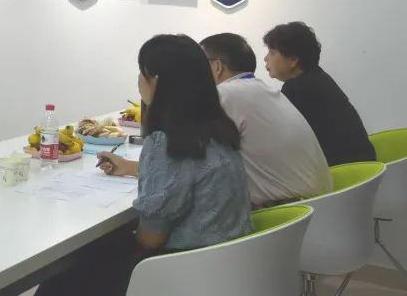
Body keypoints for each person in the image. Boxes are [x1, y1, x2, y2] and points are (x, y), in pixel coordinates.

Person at [38, 35, 252, 296]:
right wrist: (132, 169)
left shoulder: (167, 142)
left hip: (182, 273)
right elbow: (188, 176)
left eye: (142, 73)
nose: (138, 81)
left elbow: (151, 238)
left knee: (67, 273)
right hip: (228, 267)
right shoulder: (218, 130)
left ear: (157, 81)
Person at [201, 32, 332, 207]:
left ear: (217, 67)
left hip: (288, 210)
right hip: (322, 203)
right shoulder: (264, 90)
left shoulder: (225, 94)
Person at [263, 21, 375, 166]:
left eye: (272, 53)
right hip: (363, 164)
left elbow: (280, 139)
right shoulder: (318, 76)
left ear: (293, 60)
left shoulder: (295, 88)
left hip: (342, 170)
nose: (266, 58)